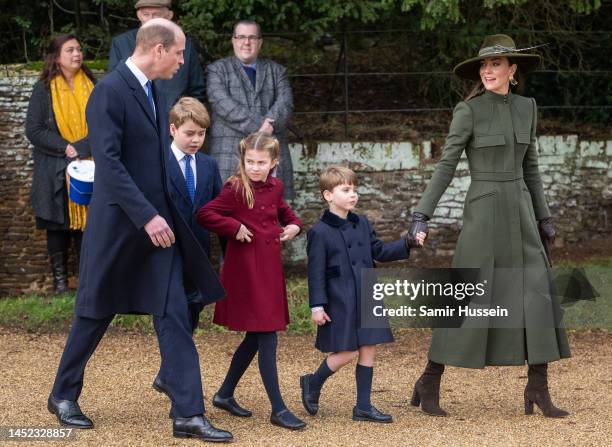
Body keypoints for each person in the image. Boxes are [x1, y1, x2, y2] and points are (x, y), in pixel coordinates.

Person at [47, 19, 232, 442]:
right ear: (159, 49)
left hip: (158, 230)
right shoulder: (109, 92)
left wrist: (170, 211)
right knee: (94, 313)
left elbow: (153, 161)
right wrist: (146, 215)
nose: (183, 61)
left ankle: (188, 413)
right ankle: (62, 394)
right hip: (119, 228)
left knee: (174, 314)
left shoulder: (152, 90)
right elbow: (109, 165)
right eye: (179, 53)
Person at [406, 34, 570, 418]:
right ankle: (430, 378)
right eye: (484, 65)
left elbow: (531, 166)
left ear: (513, 71)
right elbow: (446, 165)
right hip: (483, 213)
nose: (487, 70)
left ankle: (538, 387)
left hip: (522, 211)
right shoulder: (469, 111)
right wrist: (421, 214)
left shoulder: (528, 107)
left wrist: (544, 217)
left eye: (496, 64)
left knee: (537, 296)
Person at [197, 132, 305, 430]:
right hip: (245, 271)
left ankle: (224, 394)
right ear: (242, 161)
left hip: (269, 270)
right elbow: (205, 214)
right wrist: (233, 226)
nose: (255, 168)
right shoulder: (235, 187)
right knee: (267, 336)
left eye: (261, 163)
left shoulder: (276, 186)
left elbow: (285, 213)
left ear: (274, 163)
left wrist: (295, 226)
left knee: (257, 336)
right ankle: (279, 408)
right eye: (249, 162)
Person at [300, 166, 424, 423]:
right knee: (346, 352)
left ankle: (363, 406)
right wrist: (317, 306)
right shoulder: (319, 232)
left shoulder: (363, 224)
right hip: (339, 299)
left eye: (354, 190)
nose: (352, 195)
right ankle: (313, 382)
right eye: (346, 190)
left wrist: (407, 242)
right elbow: (316, 273)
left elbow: (379, 251)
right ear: (328, 195)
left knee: (368, 347)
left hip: (368, 293)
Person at [152, 96, 223, 394]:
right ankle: (178, 381)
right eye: (189, 133)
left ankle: (167, 374)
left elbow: (219, 210)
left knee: (192, 311)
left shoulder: (208, 165)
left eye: (201, 134)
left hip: (199, 255)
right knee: (172, 315)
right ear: (172, 129)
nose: (196, 140)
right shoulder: (157, 164)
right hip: (165, 254)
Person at [25, 34, 95, 294]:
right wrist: (64, 147)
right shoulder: (43, 88)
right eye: (70, 50)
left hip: (88, 165)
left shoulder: (93, 85)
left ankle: (87, 281)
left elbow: (103, 124)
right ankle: (61, 284)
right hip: (53, 167)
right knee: (57, 224)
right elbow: (34, 129)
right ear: (56, 57)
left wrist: (82, 148)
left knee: (86, 224)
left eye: (79, 49)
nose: (77, 54)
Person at [206, 20, 295, 200]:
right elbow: (222, 103)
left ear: (260, 42)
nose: (246, 42)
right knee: (230, 216)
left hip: (271, 154)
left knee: (272, 213)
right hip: (229, 153)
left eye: (252, 37)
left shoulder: (277, 71)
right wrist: (261, 126)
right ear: (233, 41)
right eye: (241, 37)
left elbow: (285, 103)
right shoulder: (217, 70)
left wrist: (269, 124)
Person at [107, 0, 205, 114]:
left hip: (175, 124)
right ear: (138, 15)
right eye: (146, 14)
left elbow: (197, 91)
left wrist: (183, 119)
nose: (151, 20)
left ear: (169, 16)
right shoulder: (121, 43)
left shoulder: (185, 45)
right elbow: (114, 89)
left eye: (157, 15)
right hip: (135, 124)